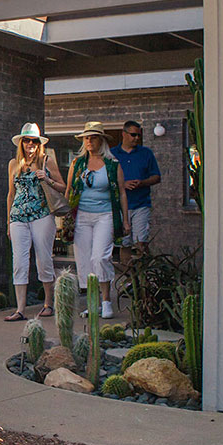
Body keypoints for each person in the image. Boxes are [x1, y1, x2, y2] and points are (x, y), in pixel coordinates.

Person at [66, 121, 129, 320]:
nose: (89, 140)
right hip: (82, 216)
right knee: (84, 260)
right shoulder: (77, 164)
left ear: (101, 140)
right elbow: (69, 190)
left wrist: (125, 220)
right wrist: (64, 214)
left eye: (93, 137)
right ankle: (93, 303)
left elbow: (122, 192)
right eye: (86, 137)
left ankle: (106, 300)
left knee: (100, 257)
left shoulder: (112, 165)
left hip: (105, 215)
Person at [5, 122, 65, 322]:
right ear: (21, 143)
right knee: (19, 262)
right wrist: (8, 221)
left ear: (39, 144)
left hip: (42, 215)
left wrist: (47, 180)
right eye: (26, 140)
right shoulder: (14, 164)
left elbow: (63, 187)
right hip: (18, 218)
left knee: (43, 259)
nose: (30, 144)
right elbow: (11, 194)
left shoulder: (47, 161)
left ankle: (48, 303)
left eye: (34, 141)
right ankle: (20, 309)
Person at [112, 119, 161, 261]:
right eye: (133, 135)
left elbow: (157, 177)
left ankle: (142, 277)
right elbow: (106, 179)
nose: (137, 138)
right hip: (121, 206)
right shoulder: (112, 154)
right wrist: (122, 184)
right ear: (124, 134)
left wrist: (142, 183)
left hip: (141, 204)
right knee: (124, 244)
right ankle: (127, 278)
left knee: (141, 242)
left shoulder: (146, 153)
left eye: (139, 135)